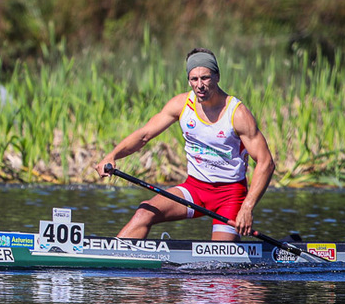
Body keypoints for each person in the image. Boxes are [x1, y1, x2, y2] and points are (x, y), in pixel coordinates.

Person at [94, 48, 276, 241]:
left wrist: (247, 208)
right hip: (195, 189)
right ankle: (113, 261)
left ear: (217, 77)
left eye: (205, 78)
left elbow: (266, 163)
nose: (200, 85)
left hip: (230, 195)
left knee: (219, 266)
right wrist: (112, 155)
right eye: (194, 79)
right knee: (144, 212)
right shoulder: (181, 104)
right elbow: (144, 135)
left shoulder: (237, 113)